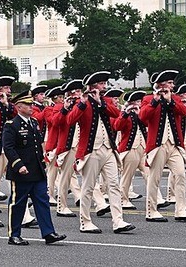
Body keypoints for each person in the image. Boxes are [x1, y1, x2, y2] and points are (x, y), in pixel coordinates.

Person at [68, 71, 135, 234]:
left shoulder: (104, 101)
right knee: (88, 187)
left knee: (113, 185)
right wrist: (83, 103)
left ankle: (118, 221)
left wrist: (100, 102)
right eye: (101, 84)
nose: (105, 87)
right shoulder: (81, 102)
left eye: (105, 84)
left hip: (109, 149)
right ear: (92, 86)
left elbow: (117, 114)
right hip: (90, 151)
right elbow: (70, 120)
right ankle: (85, 221)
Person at [2, 90, 67, 246]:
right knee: (18, 204)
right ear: (18, 107)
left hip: (36, 170)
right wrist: (19, 165)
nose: (31, 107)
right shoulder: (12, 125)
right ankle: (14, 235)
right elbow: (9, 148)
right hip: (22, 172)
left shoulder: (33, 123)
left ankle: (48, 232)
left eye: (31, 104)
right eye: (28, 104)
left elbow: (37, 147)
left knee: (42, 201)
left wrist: (42, 164)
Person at [139, 70, 186, 223]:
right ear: (160, 85)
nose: (172, 85)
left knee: (181, 175)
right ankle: (151, 211)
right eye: (169, 83)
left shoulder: (176, 98)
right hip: (157, 145)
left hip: (175, 145)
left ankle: (181, 210)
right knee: (154, 178)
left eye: (172, 83)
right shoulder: (148, 99)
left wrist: (170, 101)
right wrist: (155, 101)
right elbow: (143, 117)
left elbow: (184, 112)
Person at [0, 76, 35, 228]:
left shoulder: (10, 106)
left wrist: (7, 105)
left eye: (9, 89)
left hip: (11, 151)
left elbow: (20, 119)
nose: (9, 91)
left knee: (18, 185)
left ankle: (25, 216)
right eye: (6, 88)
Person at [114, 90, 160, 210]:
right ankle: (123, 199)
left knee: (149, 174)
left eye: (140, 101)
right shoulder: (124, 113)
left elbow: (147, 124)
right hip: (130, 148)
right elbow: (117, 126)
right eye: (136, 102)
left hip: (143, 148)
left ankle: (157, 198)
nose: (139, 104)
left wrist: (140, 114)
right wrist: (125, 113)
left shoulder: (141, 113)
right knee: (127, 176)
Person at [53, 80, 84, 217]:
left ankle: (99, 203)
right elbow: (55, 122)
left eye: (79, 91)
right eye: (76, 92)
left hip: (82, 145)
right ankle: (61, 206)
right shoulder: (61, 106)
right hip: (69, 146)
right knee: (65, 178)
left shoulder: (83, 105)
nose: (79, 94)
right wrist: (65, 108)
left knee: (89, 176)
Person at [42, 86, 64, 205]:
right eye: (60, 97)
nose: (62, 99)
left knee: (68, 174)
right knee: (52, 172)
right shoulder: (48, 109)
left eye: (62, 97)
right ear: (54, 99)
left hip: (63, 142)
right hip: (53, 142)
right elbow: (54, 122)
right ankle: (49, 194)